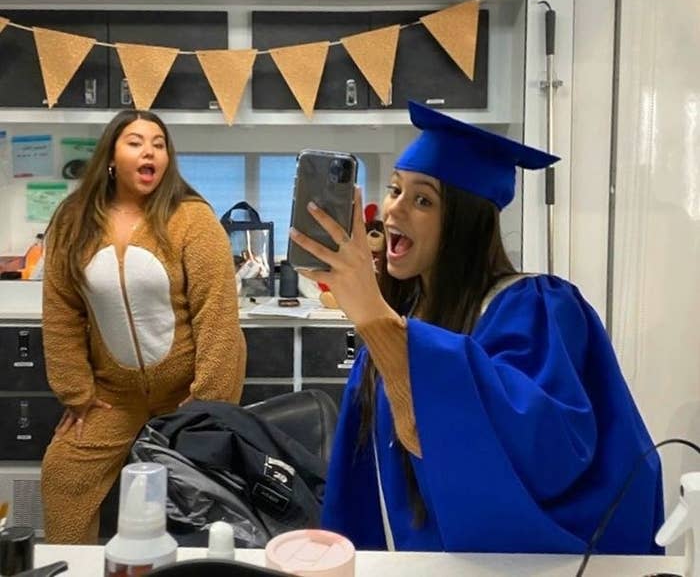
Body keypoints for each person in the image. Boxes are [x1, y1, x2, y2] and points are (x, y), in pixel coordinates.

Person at [290, 101, 663, 554]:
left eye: (422, 199)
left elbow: (543, 452)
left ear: (465, 221)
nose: (393, 211)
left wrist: (375, 317)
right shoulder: (402, 322)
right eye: (394, 190)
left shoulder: (535, 307)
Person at [41, 109, 247, 544]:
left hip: (185, 398)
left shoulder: (191, 218)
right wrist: (76, 391)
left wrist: (208, 399)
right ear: (111, 157)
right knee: (62, 475)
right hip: (113, 399)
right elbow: (62, 312)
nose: (149, 151)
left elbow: (218, 315)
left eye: (158, 144)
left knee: (200, 498)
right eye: (135, 142)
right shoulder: (72, 221)